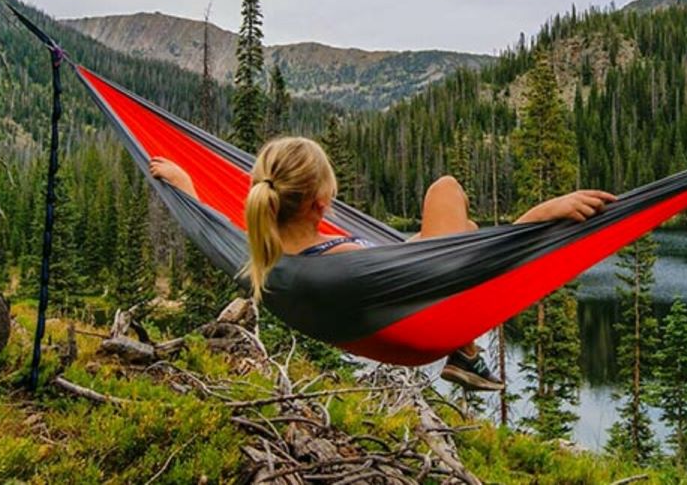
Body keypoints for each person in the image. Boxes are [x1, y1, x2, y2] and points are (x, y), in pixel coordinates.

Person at [149, 136, 615, 392]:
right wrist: (538, 219)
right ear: (321, 202)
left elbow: (215, 226)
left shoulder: (259, 253)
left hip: (385, 301)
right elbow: (466, 273)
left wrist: (187, 188)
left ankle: (468, 352)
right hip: (419, 326)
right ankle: (466, 351)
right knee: (445, 189)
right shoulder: (343, 264)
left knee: (465, 227)